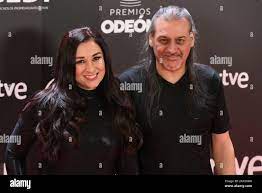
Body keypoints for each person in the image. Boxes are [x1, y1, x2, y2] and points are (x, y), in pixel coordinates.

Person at [5, 27, 142, 175]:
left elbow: (129, 167)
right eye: (80, 61)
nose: (90, 68)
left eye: (96, 58)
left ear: (105, 59)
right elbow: (12, 154)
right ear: (68, 65)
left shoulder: (118, 103)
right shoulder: (45, 104)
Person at [119, 6, 236, 175]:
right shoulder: (128, 84)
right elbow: (121, 152)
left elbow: (222, 143)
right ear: (151, 39)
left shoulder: (210, 80)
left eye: (180, 40)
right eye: (164, 40)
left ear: (191, 39)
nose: (172, 50)